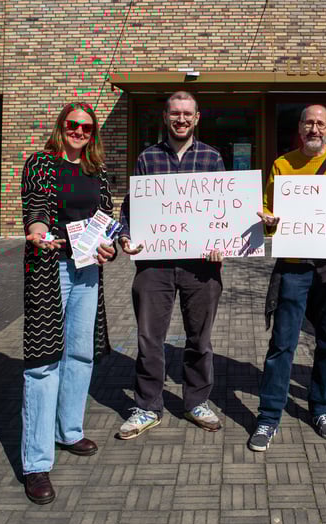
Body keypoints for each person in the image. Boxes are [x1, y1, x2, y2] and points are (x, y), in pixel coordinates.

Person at [249, 104, 326, 452]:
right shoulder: (282, 164)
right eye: (308, 123)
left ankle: (321, 409)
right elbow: (271, 211)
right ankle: (269, 417)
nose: (314, 129)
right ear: (299, 128)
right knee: (282, 344)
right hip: (294, 266)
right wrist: (268, 222)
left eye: (321, 124)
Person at [20, 102, 117, 505]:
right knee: (43, 363)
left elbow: (107, 216)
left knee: (79, 353)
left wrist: (111, 246)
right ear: (61, 126)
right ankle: (36, 464)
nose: (79, 132)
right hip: (50, 267)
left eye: (87, 128)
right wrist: (38, 232)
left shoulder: (97, 171)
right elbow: (37, 206)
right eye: (73, 125)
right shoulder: (41, 163)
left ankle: (69, 431)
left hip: (86, 269)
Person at [116, 91, 226, 439]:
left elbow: (225, 212)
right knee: (150, 339)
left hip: (201, 267)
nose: (181, 119)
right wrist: (126, 237)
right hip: (155, 265)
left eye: (187, 113)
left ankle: (196, 401)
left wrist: (222, 243)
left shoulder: (212, 158)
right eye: (175, 113)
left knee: (200, 339)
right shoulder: (148, 158)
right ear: (165, 117)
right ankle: (148, 407)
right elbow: (130, 210)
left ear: (197, 118)